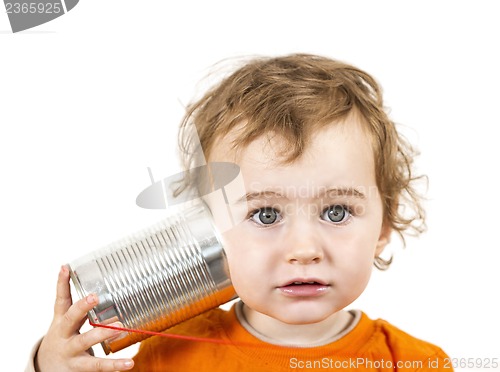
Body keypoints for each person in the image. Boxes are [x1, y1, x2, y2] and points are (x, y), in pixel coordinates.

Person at [28, 54, 452, 371]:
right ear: (208, 227)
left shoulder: (415, 363)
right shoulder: (171, 353)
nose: (303, 250)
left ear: (385, 224)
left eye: (337, 211)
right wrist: (51, 365)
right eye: (266, 215)